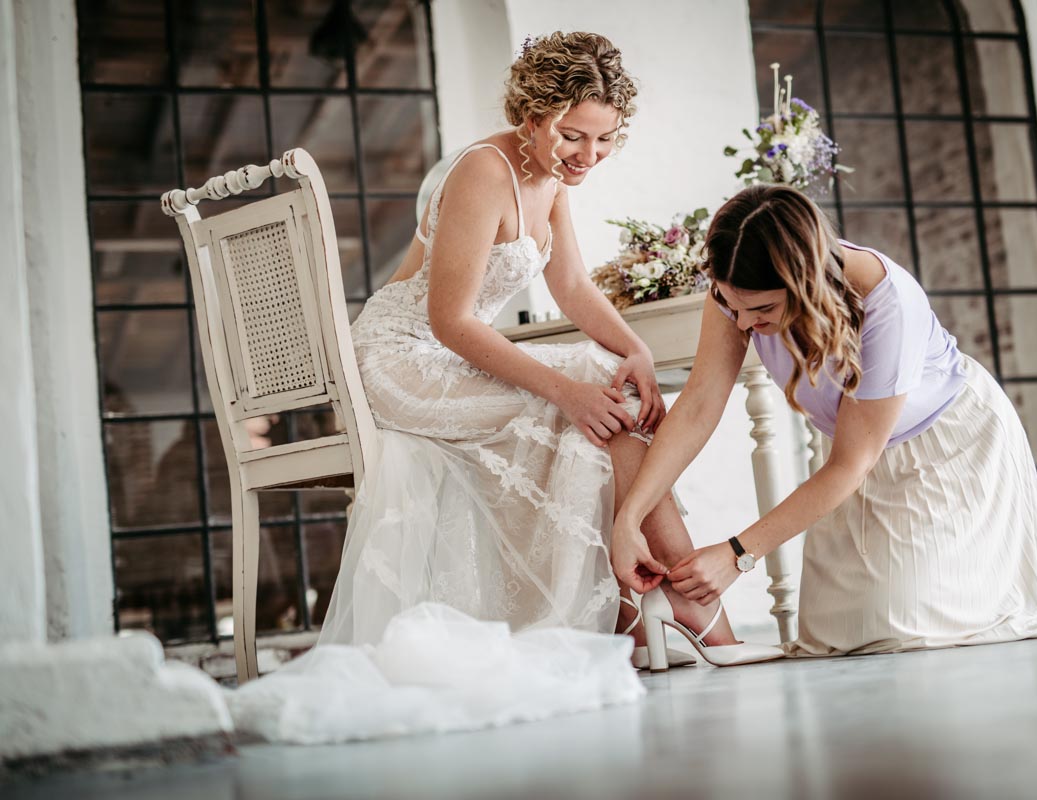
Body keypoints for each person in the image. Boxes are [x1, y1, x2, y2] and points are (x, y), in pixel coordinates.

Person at [227, 32, 774, 744]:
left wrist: (635, 349)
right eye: (573, 136)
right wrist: (565, 391)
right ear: (531, 116)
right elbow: (450, 321)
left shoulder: (553, 178)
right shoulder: (484, 171)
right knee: (584, 398)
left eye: (605, 140)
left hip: (446, 355)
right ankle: (687, 611)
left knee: (603, 386)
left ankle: (648, 609)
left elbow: (571, 284)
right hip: (397, 361)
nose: (588, 156)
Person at [612, 184, 1037, 670]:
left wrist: (738, 554)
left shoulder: (887, 302)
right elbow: (698, 406)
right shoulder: (738, 288)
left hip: (948, 447)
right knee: (845, 633)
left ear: (807, 284)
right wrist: (629, 519)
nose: (741, 324)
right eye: (730, 305)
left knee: (902, 624)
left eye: (762, 311)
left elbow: (850, 463)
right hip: (856, 459)